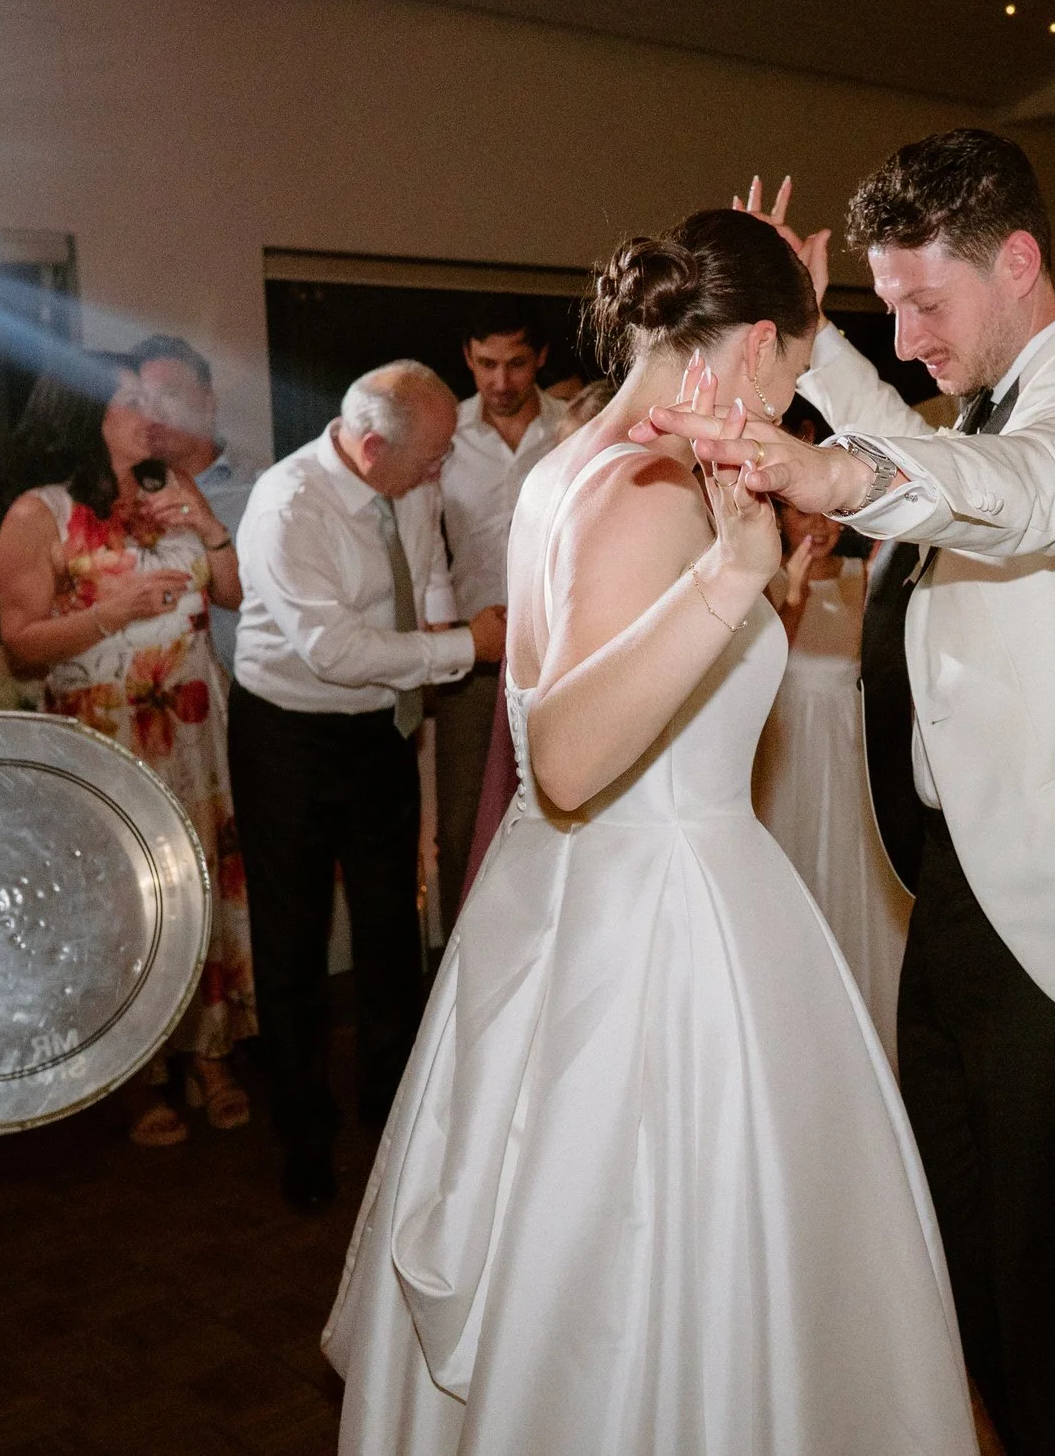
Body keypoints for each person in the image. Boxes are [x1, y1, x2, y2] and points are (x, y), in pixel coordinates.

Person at [326, 210, 974, 1456]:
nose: (787, 411)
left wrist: (756, 583)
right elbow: (571, 755)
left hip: (581, 891)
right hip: (662, 922)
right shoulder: (650, 483)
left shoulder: (577, 456)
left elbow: (625, 664)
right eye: (793, 373)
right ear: (752, 346)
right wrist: (733, 579)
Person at [644, 137, 1055, 1456]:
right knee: (969, 1258)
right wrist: (812, 340)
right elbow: (922, 442)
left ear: (1018, 261)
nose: (908, 336)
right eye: (889, 306)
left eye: (925, 302)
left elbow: (1028, 495)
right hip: (960, 889)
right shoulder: (982, 404)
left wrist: (841, 477)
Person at [232, 362, 502, 1213]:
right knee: (294, 937)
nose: (441, 467)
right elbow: (335, 652)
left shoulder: (409, 476)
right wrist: (464, 646)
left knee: (392, 927)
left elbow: (426, 568)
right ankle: (304, 1134)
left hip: (380, 729)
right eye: (432, 455)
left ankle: (393, 1111)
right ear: (373, 445)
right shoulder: (287, 506)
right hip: (289, 733)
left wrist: (441, 616)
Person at [0, 354, 257, 1145]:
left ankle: (210, 1055)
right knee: (125, 903)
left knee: (197, 892)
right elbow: (21, 641)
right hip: (108, 737)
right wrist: (115, 610)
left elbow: (234, 592)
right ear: (85, 414)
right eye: (132, 400)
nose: (152, 413)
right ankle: (137, 1073)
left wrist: (209, 529)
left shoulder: (168, 486)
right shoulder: (40, 514)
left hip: (194, 731)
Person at [753, 489, 909, 1062]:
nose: (818, 525)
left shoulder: (861, 575)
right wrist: (791, 596)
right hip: (785, 754)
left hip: (849, 758)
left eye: (828, 512)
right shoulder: (757, 580)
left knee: (856, 882)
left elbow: (884, 670)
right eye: (802, 512)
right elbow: (761, 673)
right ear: (779, 515)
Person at [431, 300, 562, 934]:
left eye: (516, 364)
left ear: (541, 359)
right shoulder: (443, 434)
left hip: (558, 654)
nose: (500, 381)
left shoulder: (573, 429)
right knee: (461, 825)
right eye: (486, 364)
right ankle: (458, 968)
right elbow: (422, 546)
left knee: (557, 812)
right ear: (467, 357)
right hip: (475, 658)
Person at [132, 335, 255, 676]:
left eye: (169, 394)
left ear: (209, 402)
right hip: (152, 688)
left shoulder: (260, 491)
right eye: (140, 400)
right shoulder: (120, 500)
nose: (152, 414)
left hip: (243, 690)